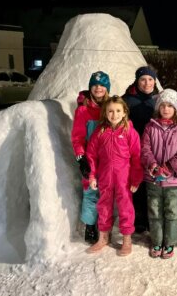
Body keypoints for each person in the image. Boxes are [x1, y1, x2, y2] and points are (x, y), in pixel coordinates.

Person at [85, 96, 143, 256]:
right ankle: (103, 237)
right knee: (103, 205)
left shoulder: (129, 131)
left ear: (124, 112)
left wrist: (136, 178)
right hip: (105, 176)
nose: (114, 114)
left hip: (123, 178)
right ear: (105, 113)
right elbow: (91, 155)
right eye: (110, 111)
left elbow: (137, 157)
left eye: (118, 111)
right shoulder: (100, 131)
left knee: (125, 207)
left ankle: (126, 239)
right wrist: (92, 175)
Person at [141, 89, 177, 259]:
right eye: (162, 105)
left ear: (176, 108)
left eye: (170, 105)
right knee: (154, 211)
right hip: (153, 178)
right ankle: (156, 240)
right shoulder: (150, 126)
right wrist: (154, 165)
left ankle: (169, 242)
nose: (166, 108)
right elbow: (145, 149)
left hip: (173, 179)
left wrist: (169, 167)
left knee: (172, 212)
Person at [71, 71, 110, 244]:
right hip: (91, 158)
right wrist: (81, 158)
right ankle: (90, 225)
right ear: (90, 88)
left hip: (109, 157)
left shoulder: (111, 107)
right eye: (95, 85)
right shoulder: (83, 110)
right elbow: (77, 137)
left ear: (107, 88)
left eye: (102, 85)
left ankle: (104, 225)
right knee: (91, 192)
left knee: (106, 193)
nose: (98, 88)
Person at [123, 65, 159, 233]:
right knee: (136, 183)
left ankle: (152, 217)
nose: (147, 83)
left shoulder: (159, 99)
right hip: (133, 147)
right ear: (137, 81)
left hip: (154, 147)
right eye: (143, 79)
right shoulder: (127, 99)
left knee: (151, 183)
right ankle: (139, 219)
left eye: (150, 79)